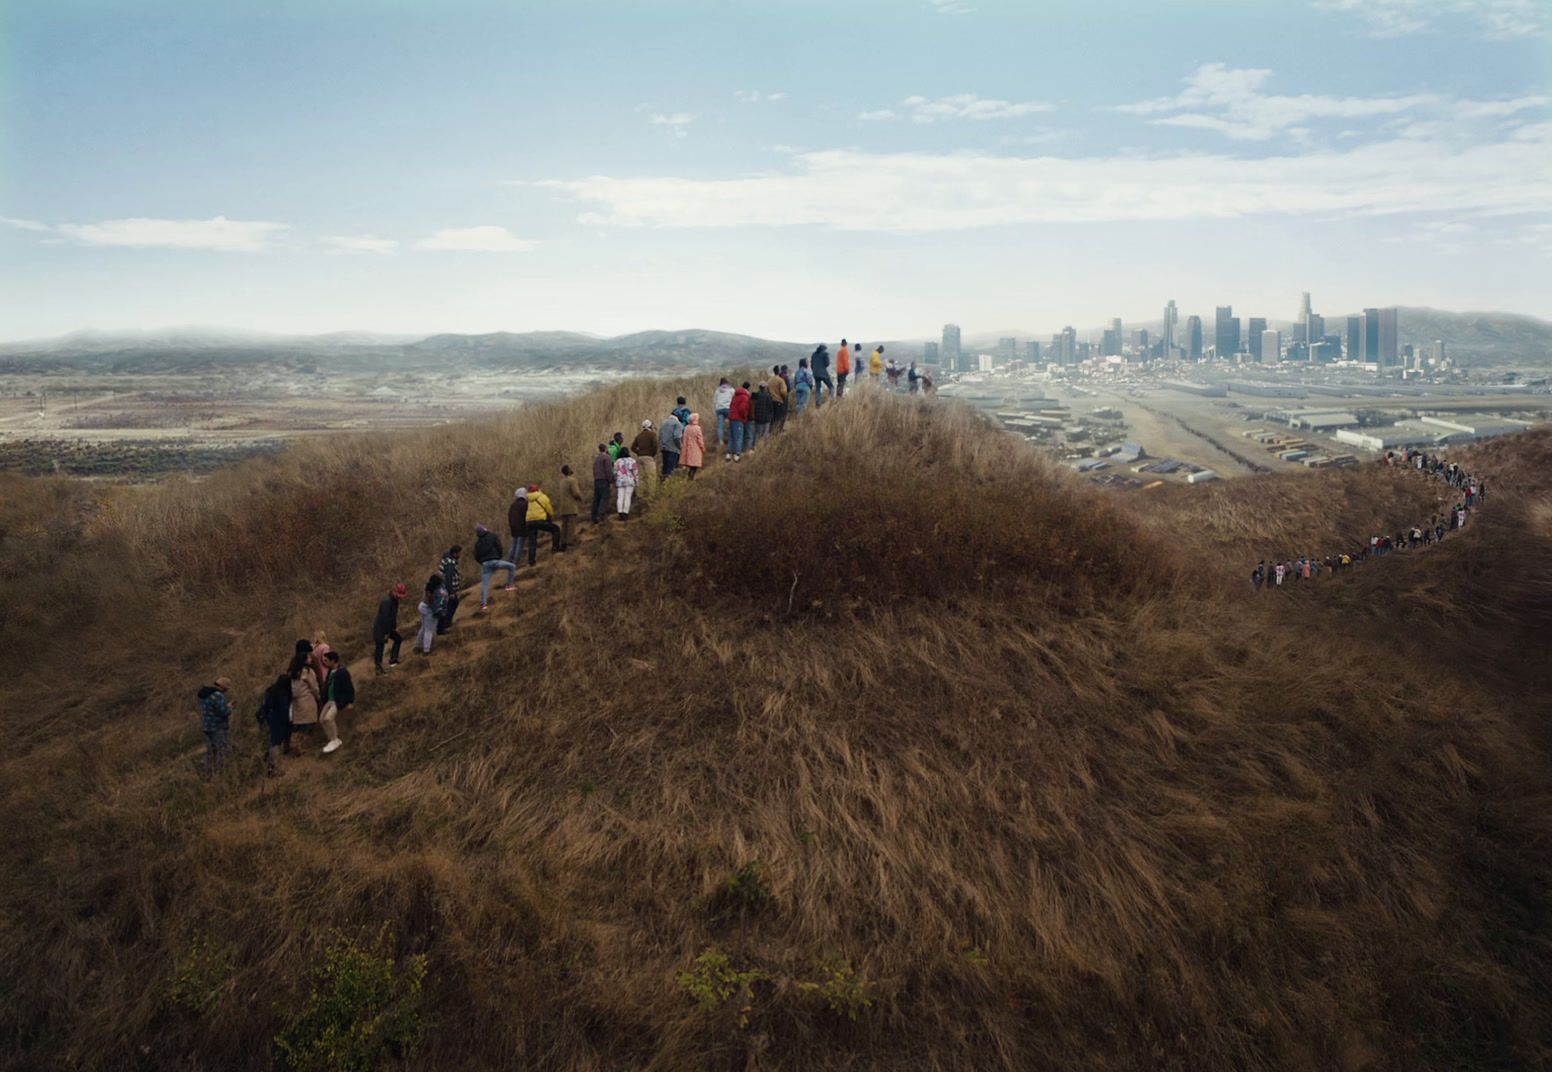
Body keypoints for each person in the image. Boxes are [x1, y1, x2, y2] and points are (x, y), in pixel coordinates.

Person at [472, 523, 517, 612]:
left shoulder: (477, 543)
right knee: (512, 566)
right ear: (485, 529)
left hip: (485, 564)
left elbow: (476, 556)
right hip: (495, 560)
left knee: (485, 585)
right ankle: (509, 585)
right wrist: (499, 557)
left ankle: (483, 604)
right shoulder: (492, 536)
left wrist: (481, 562)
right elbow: (499, 547)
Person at [196, 676, 235, 779]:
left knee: (210, 751)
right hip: (217, 727)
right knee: (221, 750)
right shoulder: (217, 695)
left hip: (207, 726)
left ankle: (207, 774)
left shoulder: (205, 695)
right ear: (223, 687)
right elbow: (223, 712)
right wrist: (230, 707)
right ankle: (218, 774)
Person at [257, 674, 293, 777]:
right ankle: (273, 768)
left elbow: (265, 705)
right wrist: (288, 721)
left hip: (271, 717)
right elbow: (284, 709)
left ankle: (269, 761)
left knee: (273, 741)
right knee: (276, 743)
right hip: (279, 719)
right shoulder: (283, 694)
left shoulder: (270, 690)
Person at [319, 651, 353, 754]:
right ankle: (331, 738)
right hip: (329, 699)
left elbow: (349, 687)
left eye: (326, 660)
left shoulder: (342, 672)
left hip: (337, 700)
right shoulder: (330, 672)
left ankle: (335, 739)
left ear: (333, 660)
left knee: (328, 718)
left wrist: (350, 701)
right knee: (322, 719)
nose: (324, 663)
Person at [288, 645, 321, 753]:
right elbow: (314, 686)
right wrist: (318, 696)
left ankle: (294, 745)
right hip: (307, 701)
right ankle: (298, 746)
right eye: (309, 658)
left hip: (297, 703)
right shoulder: (308, 672)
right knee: (306, 726)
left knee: (299, 725)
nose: (311, 659)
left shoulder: (294, 672)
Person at [525, 482, 563, 564]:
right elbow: (549, 509)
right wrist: (551, 515)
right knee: (556, 529)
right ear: (538, 490)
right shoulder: (542, 497)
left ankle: (531, 561)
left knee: (532, 542)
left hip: (529, 522)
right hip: (540, 520)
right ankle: (555, 548)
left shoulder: (528, 500)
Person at [372, 583, 406, 674]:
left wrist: (393, 627)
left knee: (398, 639)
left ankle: (393, 659)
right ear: (394, 591)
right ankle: (378, 668)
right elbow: (385, 618)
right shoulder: (387, 602)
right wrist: (386, 633)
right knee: (380, 647)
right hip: (380, 629)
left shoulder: (395, 601)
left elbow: (393, 616)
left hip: (388, 628)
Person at [417, 574, 445, 655]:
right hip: (428, 609)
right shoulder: (433, 590)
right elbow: (431, 600)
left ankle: (418, 645)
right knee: (429, 630)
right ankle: (426, 650)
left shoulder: (429, 586)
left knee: (423, 628)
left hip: (422, 606)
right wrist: (436, 607)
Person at [438, 545, 462, 633]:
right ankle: (445, 625)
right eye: (459, 553)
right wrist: (451, 592)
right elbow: (448, 578)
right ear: (454, 553)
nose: (460, 555)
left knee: (449, 605)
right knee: (451, 604)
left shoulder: (447, 558)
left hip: (444, 588)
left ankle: (445, 624)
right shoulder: (450, 564)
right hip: (447, 589)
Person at [557, 464, 583, 549]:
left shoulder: (561, 481)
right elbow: (575, 493)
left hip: (562, 507)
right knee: (571, 525)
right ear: (568, 471)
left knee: (564, 525)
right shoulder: (572, 480)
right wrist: (580, 498)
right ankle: (570, 543)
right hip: (571, 506)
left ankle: (562, 543)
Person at [726, 381, 751, 461]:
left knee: (732, 436)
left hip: (732, 417)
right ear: (748, 389)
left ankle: (728, 454)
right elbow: (742, 409)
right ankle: (737, 454)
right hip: (738, 419)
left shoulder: (735, 395)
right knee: (739, 437)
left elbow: (731, 405)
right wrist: (744, 417)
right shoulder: (745, 397)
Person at [614, 445, 640, 519]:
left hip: (620, 481)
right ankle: (625, 513)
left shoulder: (617, 461)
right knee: (627, 497)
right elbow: (635, 472)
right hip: (629, 481)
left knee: (620, 497)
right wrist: (637, 481)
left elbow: (615, 472)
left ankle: (620, 512)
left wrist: (615, 480)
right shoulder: (632, 461)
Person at [632, 420, 659, 487]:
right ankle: (650, 495)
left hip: (639, 458)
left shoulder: (639, 435)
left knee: (641, 478)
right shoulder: (652, 434)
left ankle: (640, 495)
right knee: (651, 477)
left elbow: (632, 447)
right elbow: (655, 445)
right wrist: (652, 453)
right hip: (649, 458)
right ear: (650, 426)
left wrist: (638, 452)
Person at [591, 444, 614, 523]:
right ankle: (600, 515)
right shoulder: (607, 458)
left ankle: (594, 515)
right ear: (605, 449)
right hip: (604, 480)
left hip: (597, 480)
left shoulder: (597, 458)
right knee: (604, 498)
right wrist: (610, 480)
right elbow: (608, 470)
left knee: (596, 498)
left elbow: (594, 469)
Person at [507, 487, 529, 566]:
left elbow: (509, 515)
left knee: (514, 544)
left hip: (513, 527)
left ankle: (509, 560)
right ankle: (515, 562)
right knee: (519, 545)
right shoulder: (525, 504)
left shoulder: (513, 505)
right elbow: (526, 516)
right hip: (521, 527)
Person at [750, 381, 774, 451]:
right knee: (766, 433)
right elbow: (770, 407)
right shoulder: (768, 396)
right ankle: (766, 447)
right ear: (765, 387)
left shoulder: (756, 395)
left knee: (757, 433)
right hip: (766, 418)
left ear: (759, 387)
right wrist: (770, 415)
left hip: (758, 418)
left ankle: (754, 446)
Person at [681, 412, 705, 478]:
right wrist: (703, 448)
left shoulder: (686, 428)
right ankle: (691, 478)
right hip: (696, 449)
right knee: (694, 465)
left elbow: (684, 438)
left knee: (690, 464)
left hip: (687, 449)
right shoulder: (697, 428)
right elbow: (700, 440)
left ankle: (689, 477)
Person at [660, 411, 684, 478]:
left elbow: (660, 435)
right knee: (671, 468)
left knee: (665, 467)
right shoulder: (678, 424)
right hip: (673, 449)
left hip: (664, 448)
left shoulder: (664, 423)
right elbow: (677, 437)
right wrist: (680, 446)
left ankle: (662, 483)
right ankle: (668, 484)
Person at [712, 378, 735, 446]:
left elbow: (714, 401)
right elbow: (734, 399)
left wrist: (716, 408)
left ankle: (721, 441)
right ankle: (731, 439)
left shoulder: (717, 391)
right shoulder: (731, 390)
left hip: (719, 409)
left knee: (720, 426)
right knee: (732, 424)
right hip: (728, 408)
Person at [767, 366, 788, 433]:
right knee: (779, 418)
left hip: (771, 401)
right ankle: (777, 433)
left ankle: (770, 432)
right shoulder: (780, 380)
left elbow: (767, 390)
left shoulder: (769, 380)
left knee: (772, 419)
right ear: (779, 371)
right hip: (779, 401)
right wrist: (784, 398)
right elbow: (783, 391)